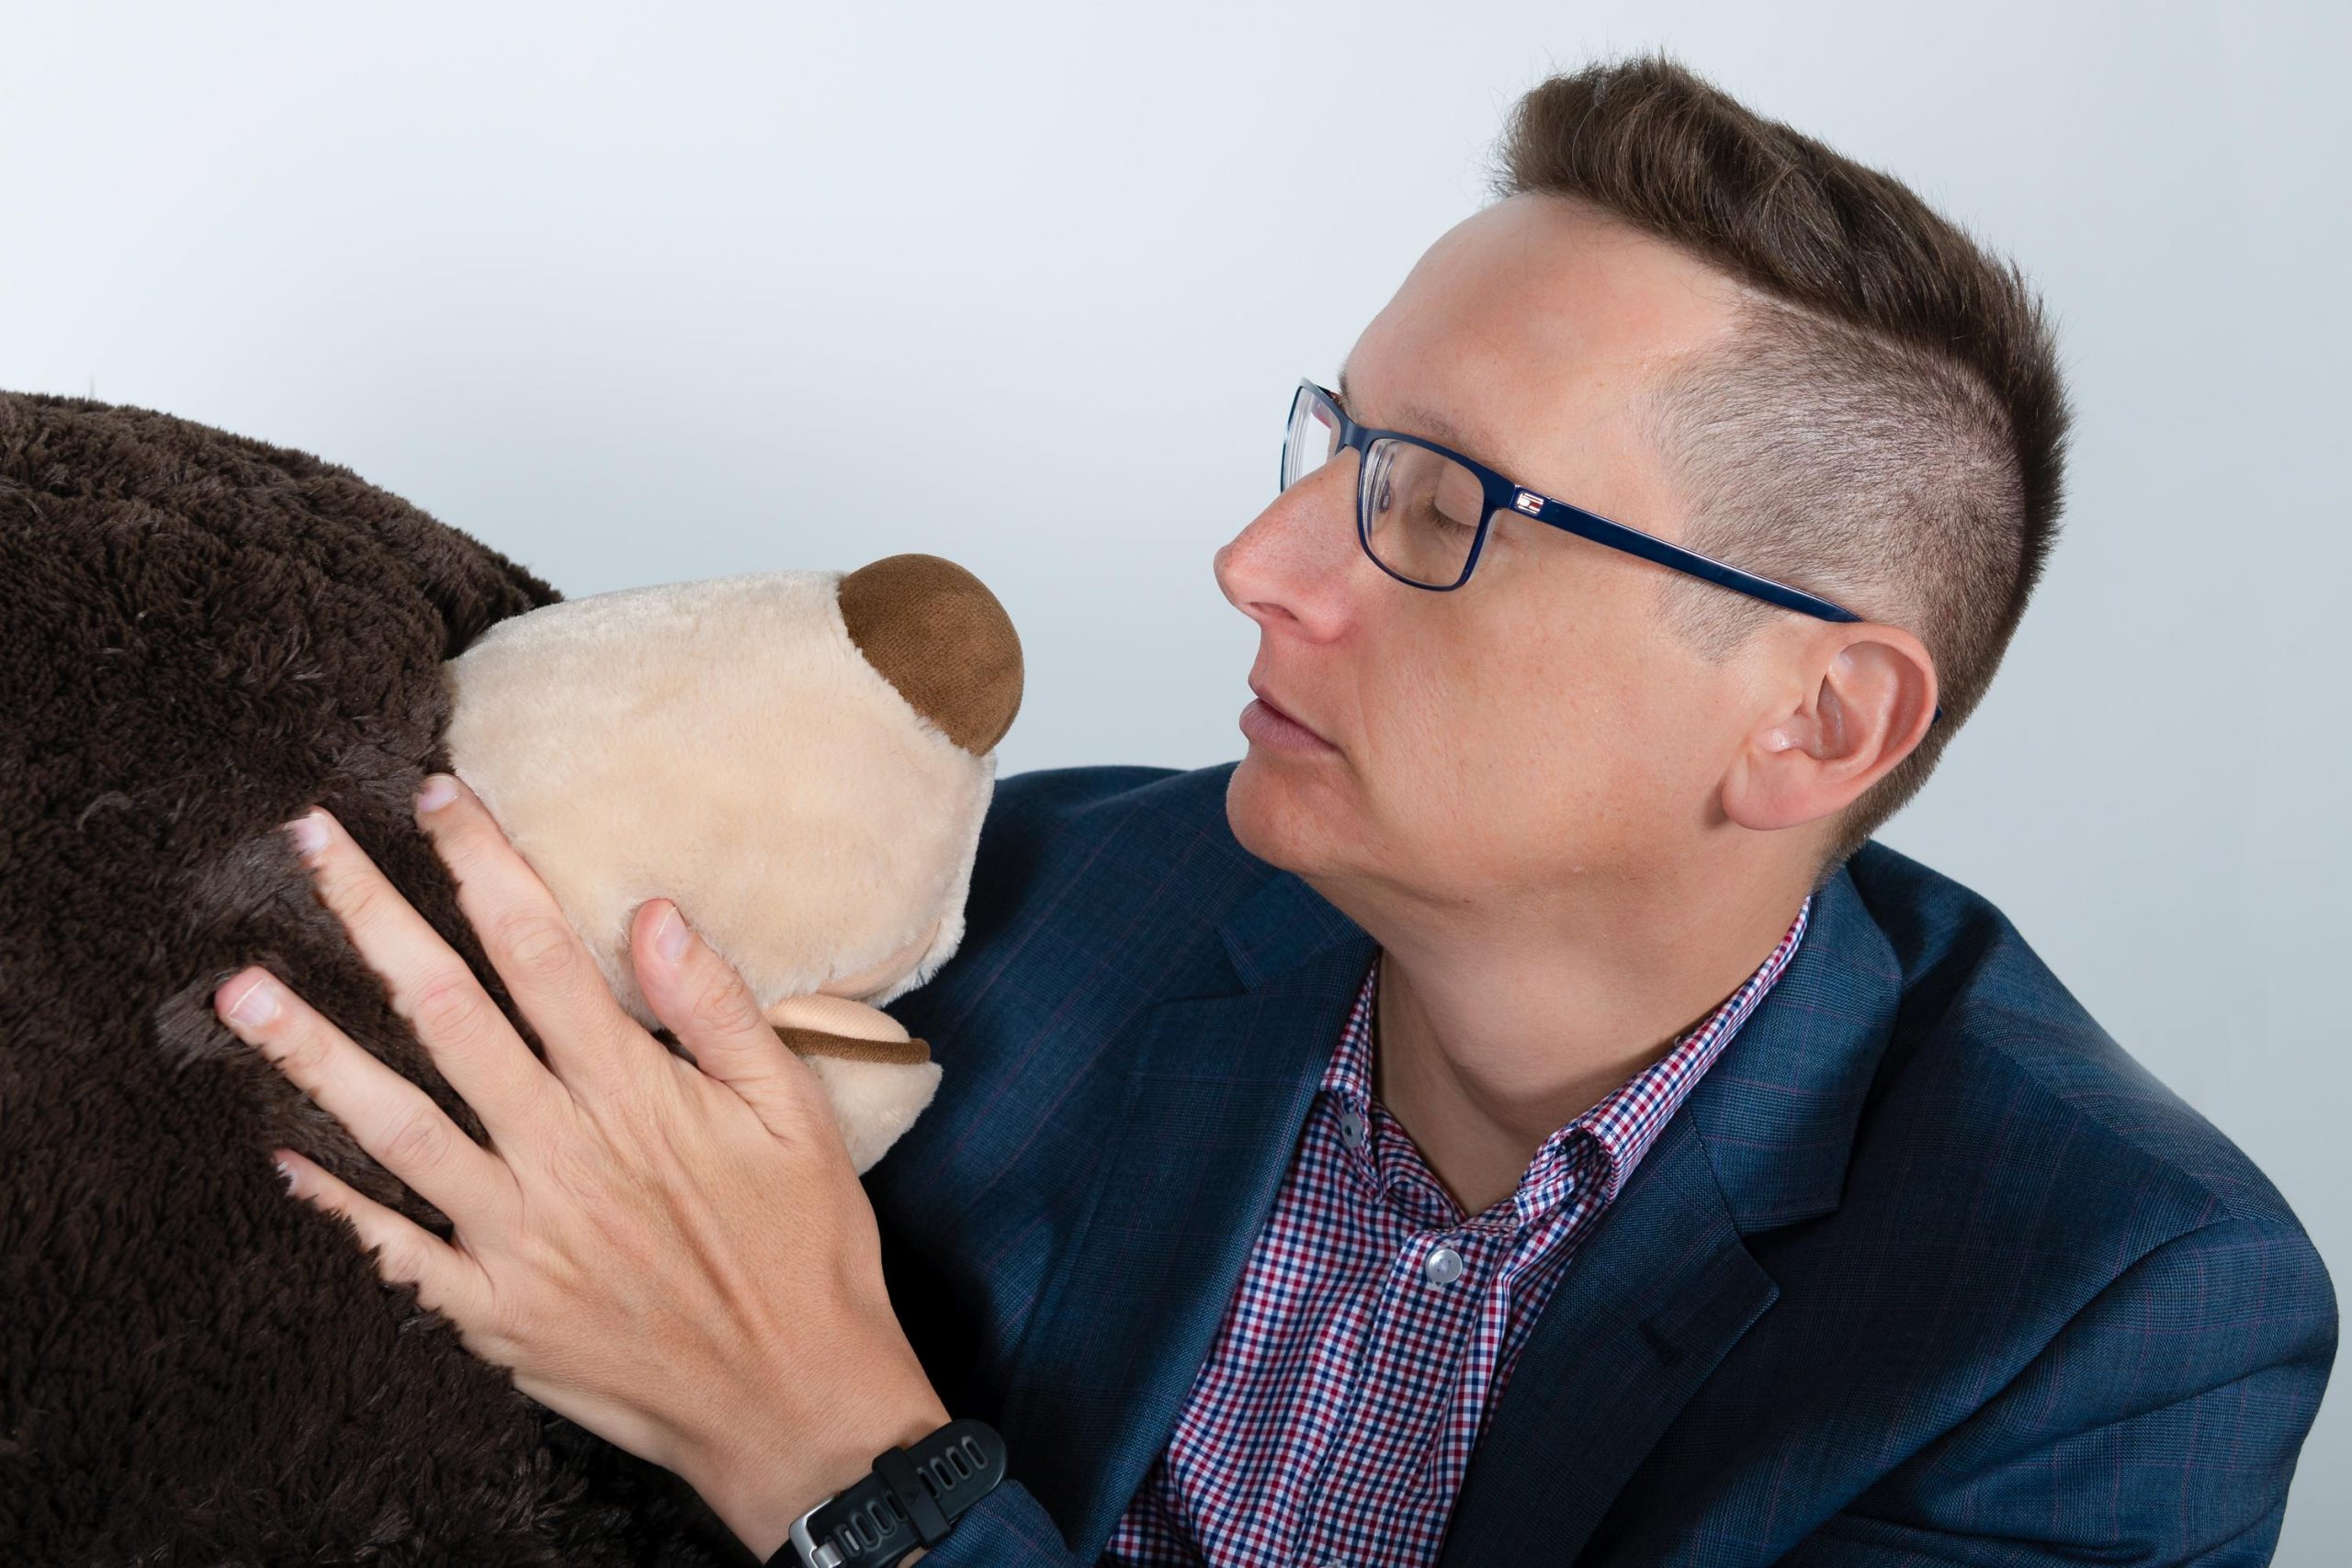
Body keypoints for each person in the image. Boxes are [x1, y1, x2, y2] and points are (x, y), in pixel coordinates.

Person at [210, 52, 2335, 1568]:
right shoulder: (1035, 903)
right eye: (1339, 438)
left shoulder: (2104, 1314)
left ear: (1810, 715)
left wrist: (846, 1462)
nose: (1258, 557)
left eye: (1436, 503)